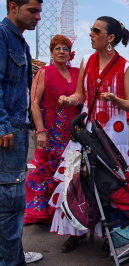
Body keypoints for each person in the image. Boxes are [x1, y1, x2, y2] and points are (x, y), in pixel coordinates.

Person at [54, 16, 129, 253]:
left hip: (114, 131)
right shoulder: (86, 60)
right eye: (91, 29)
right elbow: (80, 95)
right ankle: (76, 229)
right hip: (88, 128)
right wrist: (69, 99)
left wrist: (116, 99)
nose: (90, 33)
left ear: (110, 38)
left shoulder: (126, 66)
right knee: (77, 179)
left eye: (96, 30)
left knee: (110, 183)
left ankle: (108, 234)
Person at [0, 0, 44, 264]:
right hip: (8, 130)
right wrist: (2, 125)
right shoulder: (3, 36)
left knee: (11, 201)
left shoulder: (20, 42)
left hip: (16, 126)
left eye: (39, 11)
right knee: (10, 202)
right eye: (33, 10)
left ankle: (13, 255)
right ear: (13, 6)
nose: (38, 17)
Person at [24, 35, 80, 225]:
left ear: (70, 53)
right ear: (51, 52)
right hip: (51, 130)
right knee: (47, 169)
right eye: (57, 48)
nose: (61, 52)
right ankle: (43, 212)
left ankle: (63, 212)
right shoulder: (44, 72)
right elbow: (34, 103)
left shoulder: (77, 72)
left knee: (69, 171)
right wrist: (40, 130)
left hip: (73, 132)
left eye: (65, 48)